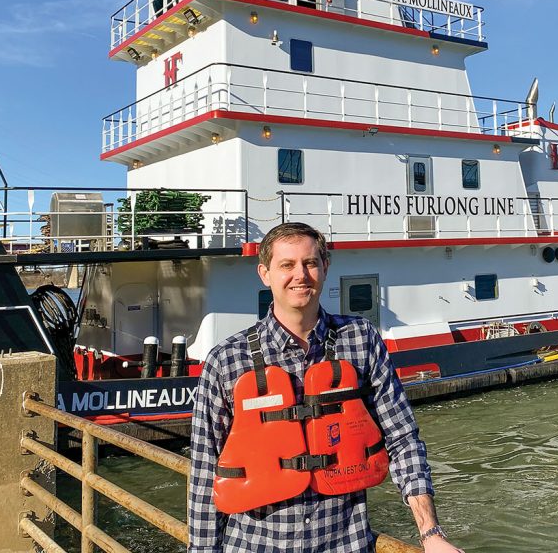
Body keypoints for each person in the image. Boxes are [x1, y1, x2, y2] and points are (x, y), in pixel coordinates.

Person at [189, 222, 463, 553]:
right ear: (265, 273)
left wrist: (430, 532)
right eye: (286, 265)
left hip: (344, 543)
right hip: (255, 545)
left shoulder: (361, 340)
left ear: (325, 267)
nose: (300, 275)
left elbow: (402, 439)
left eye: (310, 263)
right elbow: (205, 473)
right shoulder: (226, 360)